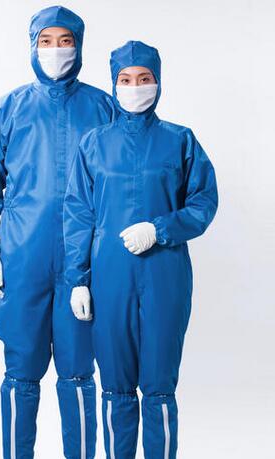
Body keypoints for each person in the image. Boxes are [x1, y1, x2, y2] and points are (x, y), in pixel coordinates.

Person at [0, 6, 115, 459]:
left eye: (65, 41)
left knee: (78, 373)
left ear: (79, 45)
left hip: (83, 263)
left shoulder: (105, 108)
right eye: (46, 41)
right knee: (21, 372)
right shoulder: (7, 110)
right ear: (33, 46)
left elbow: (119, 185)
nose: (56, 50)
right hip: (22, 258)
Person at [63, 40, 218, 459]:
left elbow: (203, 203)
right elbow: (77, 214)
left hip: (165, 274)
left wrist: (160, 228)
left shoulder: (180, 140)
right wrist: (77, 280)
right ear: (114, 85)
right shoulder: (93, 145)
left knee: (159, 386)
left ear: (158, 82)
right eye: (126, 80)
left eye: (144, 78)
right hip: (109, 277)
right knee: (115, 386)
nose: (135, 87)